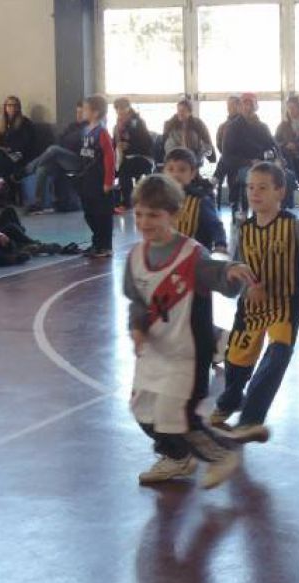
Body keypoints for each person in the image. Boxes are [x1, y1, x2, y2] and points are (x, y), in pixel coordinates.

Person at [124, 174, 256, 488]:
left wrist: (232, 271)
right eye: (139, 214)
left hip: (187, 357)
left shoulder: (191, 255)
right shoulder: (135, 258)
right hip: (153, 353)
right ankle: (176, 458)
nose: (144, 222)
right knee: (143, 412)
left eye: (154, 215)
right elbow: (137, 302)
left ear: (174, 215)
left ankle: (223, 455)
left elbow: (219, 275)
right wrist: (137, 327)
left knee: (175, 415)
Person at [211, 162, 299, 441]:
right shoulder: (244, 230)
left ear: (280, 192)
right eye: (250, 187)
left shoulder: (294, 228)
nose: (254, 193)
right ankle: (232, 400)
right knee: (236, 362)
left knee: (277, 356)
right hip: (251, 307)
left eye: (262, 187)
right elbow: (237, 270)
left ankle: (250, 420)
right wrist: (242, 286)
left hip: (286, 305)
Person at [23, 100, 87, 212]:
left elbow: (74, 144)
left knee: (53, 149)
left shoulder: (87, 129)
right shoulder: (72, 126)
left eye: (81, 113)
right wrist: (66, 144)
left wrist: (67, 143)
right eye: (77, 112)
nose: (78, 115)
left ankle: (28, 168)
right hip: (62, 157)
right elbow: (60, 140)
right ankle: (38, 203)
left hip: (78, 161)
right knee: (42, 169)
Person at [220, 93, 278, 215]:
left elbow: (274, 147)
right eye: (244, 104)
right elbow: (227, 156)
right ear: (240, 107)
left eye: (251, 104)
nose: (248, 107)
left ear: (256, 107)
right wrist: (249, 162)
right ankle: (256, 212)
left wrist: (275, 157)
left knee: (284, 176)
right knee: (256, 177)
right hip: (240, 167)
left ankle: (273, 212)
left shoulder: (263, 127)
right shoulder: (232, 128)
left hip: (263, 164)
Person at [163, 148, 227, 253]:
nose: (175, 174)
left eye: (182, 170)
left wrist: (220, 244)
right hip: (168, 254)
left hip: (196, 256)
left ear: (193, 173)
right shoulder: (160, 200)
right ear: (164, 172)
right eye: (170, 169)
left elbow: (215, 225)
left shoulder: (200, 201)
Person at [79, 95, 116, 258]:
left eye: (86, 109)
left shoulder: (102, 133)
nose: (83, 111)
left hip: (99, 179)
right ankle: (96, 241)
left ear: (96, 112)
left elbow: (109, 157)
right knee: (89, 212)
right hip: (88, 178)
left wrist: (108, 181)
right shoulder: (87, 130)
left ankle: (105, 245)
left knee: (102, 213)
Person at [0, 95, 35, 200]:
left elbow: (25, 144)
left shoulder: (25, 123)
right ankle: (1, 184)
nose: (12, 108)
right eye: (9, 105)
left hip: (18, 154)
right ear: (5, 107)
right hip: (1, 154)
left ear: (18, 108)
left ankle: (1, 187)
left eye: (14, 105)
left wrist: (7, 148)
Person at [275, 95, 299, 216]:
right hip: (286, 159)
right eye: (289, 108)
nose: (291, 111)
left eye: (294, 108)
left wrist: (297, 146)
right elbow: (275, 142)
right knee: (282, 172)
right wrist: (286, 145)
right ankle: (283, 206)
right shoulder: (283, 125)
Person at [113, 97, 154, 211]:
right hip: (124, 158)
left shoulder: (138, 123)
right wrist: (118, 146)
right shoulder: (117, 127)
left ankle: (127, 201)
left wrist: (130, 146)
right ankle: (118, 198)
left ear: (128, 108)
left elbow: (147, 143)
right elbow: (114, 144)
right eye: (117, 109)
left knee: (124, 168)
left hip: (142, 157)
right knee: (117, 166)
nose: (120, 111)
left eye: (122, 108)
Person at [163, 98, 215, 165]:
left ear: (190, 112)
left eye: (183, 111)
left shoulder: (198, 123)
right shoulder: (170, 124)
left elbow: (207, 141)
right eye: (179, 110)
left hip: (194, 154)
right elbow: (165, 142)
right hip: (175, 155)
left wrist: (208, 155)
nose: (180, 113)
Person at [213, 95, 241, 207]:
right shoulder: (223, 126)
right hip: (227, 156)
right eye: (228, 105)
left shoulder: (244, 124)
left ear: (239, 106)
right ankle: (233, 201)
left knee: (229, 164)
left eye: (233, 105)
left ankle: (215, 179)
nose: (230, 108)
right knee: (227, 161)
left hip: (242, 158)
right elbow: (219, 144)